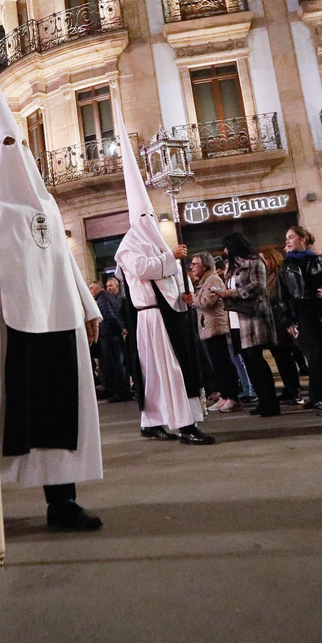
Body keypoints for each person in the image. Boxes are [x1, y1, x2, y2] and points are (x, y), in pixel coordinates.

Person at [0, 3, 104, 532]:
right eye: (2, 144)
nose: (11, 151)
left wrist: (88, 307)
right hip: (0, 316)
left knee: (58, 404)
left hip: (55, 314)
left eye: (17, 143)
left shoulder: (46, 202)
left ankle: (62, 501)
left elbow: (63, 257)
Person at [115, 139, 212, 444]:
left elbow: (171, 274)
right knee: (166, 369)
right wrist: (170, 257)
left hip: (171, 313)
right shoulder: (128, 246)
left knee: (164, 370)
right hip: (152, 318)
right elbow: (143, 269)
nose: (148, 221)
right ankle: (184, 424)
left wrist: (184, 293)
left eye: (151, 216)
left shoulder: (156, 240)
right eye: (143, 217)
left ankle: (153, 422)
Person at [222, 232, 291, 417]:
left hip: (253, 316)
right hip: (236, 318)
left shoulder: (254, 262)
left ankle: (272, 402)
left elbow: (259, 286)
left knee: (256, 360)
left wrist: (233, 293)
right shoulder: (232, 267)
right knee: (248, 361)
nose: (225, 251)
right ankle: (262, 401)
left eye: (227, 247)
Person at [277, 226, 322, 415]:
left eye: (291, 237)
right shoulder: (286, 266)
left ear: (302, 239)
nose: (287, 241)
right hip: (302, 312)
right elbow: (282, 296)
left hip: (321, 310)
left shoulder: (319, 260)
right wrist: (287, 320)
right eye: (287, 238)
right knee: (315, 353)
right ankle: (319, 398)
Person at [189, 253, 242, 412]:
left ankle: (232, 397)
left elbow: (207, 302)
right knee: (216, 365)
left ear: (204, 266)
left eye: (195, 264)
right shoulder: (204, 280)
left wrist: (192, 299)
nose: (191, 267)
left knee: (223, 364)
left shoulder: (212, 280)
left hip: (216, 328)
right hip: (209, 327)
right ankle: (224, 396)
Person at [94, 278, 132, 403]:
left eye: (111, 285)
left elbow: (109, 315)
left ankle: (121, 391)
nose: (109, 288)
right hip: (113, 333)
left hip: (110, 334)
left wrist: (121, 329)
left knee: (116, 364)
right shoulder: (108, 298)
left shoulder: (104, 298)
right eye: (108, 286)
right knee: (116, 363)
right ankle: (119, 390)